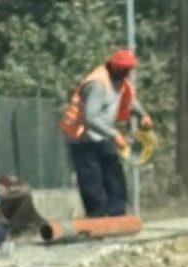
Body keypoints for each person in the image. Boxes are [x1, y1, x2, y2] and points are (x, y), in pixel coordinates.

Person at [60, 49, 154, 217]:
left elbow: (130, 101)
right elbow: (90, 118)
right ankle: (98, 219)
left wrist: (143, 115)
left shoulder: (119, 81)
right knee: (92, 181)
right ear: (114, 66)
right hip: (82, 137)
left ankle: (117, 214)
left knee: (114, 176)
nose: (127, 72)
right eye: (124, 68)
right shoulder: (98, 83)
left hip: (101, 135)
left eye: (129, 69)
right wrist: (114, 134)